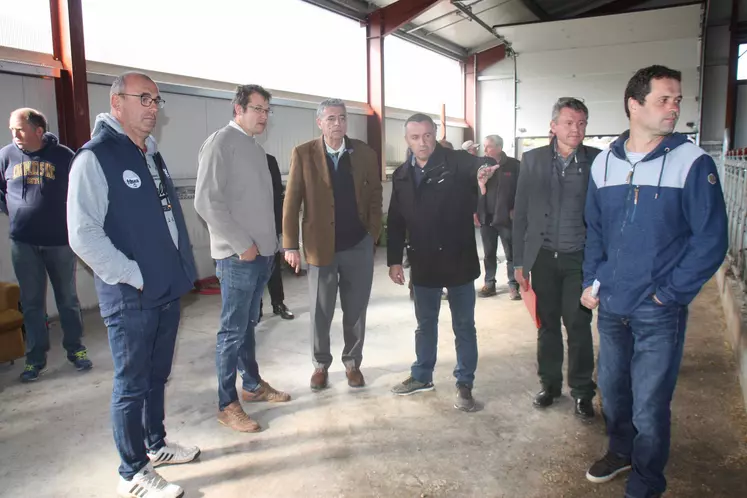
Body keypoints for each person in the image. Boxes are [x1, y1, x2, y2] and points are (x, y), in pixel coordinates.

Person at [581, 65, 728, 498]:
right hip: (611, 304)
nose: (674, 108)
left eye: (678, 99)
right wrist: (593, 279)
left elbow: (711, 239)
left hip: (657, 307)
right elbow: (596, 230)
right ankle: (621, 450)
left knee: (650, 402)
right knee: (612, 390)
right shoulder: (605, 163)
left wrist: (670, 294)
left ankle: (647, 481)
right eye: (664, 99)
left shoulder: (692, 163)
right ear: (634, 104)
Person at [67, 71, 199, 498]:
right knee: (131, 383)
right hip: (131, 295)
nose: (152, 108)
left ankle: (156, 445)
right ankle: (132, 472)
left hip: (165, 288)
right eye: (143, 98)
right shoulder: (96, 157)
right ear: (116, 102)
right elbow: (83, 233)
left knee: (156, 375)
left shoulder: (150, 154)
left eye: (156, 100)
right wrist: (134, 275)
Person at [195, 84, 291, 434]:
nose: (263, 115)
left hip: (261, 255)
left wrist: (272, 244)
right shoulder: (221, 143)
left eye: (267, 110)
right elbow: (206, 202)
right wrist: (241, 244)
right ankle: (226, 404)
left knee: (247, 326)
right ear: (238, 109)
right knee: (231, 332)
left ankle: (251, 386)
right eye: (257, 109)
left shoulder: (253, 146)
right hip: (238, 258)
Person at [387, 113, 496, 412]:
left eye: (427, 136)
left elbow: (480, 165)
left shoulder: (457, 161)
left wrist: (484, 172)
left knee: (464, 326)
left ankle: (465, 383)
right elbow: (396, 221)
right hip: (423, 260)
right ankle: (422, 376)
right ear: (406, 140)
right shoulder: (401, 176)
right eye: (415, 137)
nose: (422, 143)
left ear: (434, 134)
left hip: (458, 258)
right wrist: (394, 260)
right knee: (425, 325)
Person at [283, 98, 382, 391]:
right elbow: (291, 202)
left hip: (357, 245)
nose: (337, 124)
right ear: (319, 123)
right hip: (320, 248)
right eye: (331, 119)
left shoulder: (364, 152)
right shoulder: (303, 154)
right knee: (320, 310)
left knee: (355, 310)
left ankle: (352, 363)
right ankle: (320, 365)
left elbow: (376, 194)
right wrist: (290, 245)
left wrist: (372, 233)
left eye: (341, 118)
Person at [512, 97, 600, 420]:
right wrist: (518, 263)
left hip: (579, 257)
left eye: (581, 123)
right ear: (553, 126)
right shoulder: (532, 160)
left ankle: (581, 392)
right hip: (543, 258)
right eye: (568, 122)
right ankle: (549, 385)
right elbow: (520, 213)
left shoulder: (596, 161)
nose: (575, 129)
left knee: (578, 325)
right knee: (547, 325)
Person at [0, 108, 91, 382]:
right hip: (23, 242)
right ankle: (35, 359)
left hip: (58, 242)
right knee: (31, 303)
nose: (14, 135)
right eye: (12, 129)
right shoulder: (6, 156)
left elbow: (80, 193)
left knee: (67, 299)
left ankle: (76, 350)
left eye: (19, 129)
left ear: (38, 131)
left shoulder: (63, 156)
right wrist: (15, 213)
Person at [476, 134, 521, 300]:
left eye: (489, 146)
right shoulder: (481, 165)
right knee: (489, 253)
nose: (485, 150)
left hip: (506, 218)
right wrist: (476, 211)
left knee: (511, 253)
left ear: (499, 147)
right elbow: (474, 189)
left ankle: (513, 285)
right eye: (485, 146)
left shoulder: (514, 166)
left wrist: (516, 209)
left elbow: (522, 191)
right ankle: (490, 283)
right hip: (486, 218)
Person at [259, 153, 294, 322]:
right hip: (248, 228)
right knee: (253, 271)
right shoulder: (236, 159)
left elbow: (278, 194)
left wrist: (281, 229)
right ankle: (255, 310)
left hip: (270, 225)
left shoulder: (269, 160)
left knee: (273, 267)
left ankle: (278, 303)